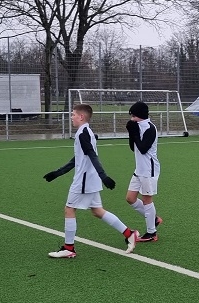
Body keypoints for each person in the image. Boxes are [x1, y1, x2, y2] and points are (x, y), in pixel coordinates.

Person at [43, 104, 138, 258]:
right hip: (89, 179)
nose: (71, 117)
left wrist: (104, 176)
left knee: (69, 209)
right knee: (97, 211)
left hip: (84, 180)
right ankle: (129, 234)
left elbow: (93, 156)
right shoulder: (85, 132)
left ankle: (69, 248)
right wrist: (58, 172)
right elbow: (78, 158)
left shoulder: (83, 134)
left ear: (81, 117)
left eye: (73, 114)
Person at [125, 101, 162, 242]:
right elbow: (133, 148)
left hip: (149, 169)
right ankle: (154, 219)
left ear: (140, 115)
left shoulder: (150, 128)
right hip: (139, 169)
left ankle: (151, 233)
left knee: (147, 200)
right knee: (130, 198)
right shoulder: (137, 126)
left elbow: (143, 148)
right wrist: (131, 133)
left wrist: (134, 132)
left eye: (134, 116)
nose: (132, 119)